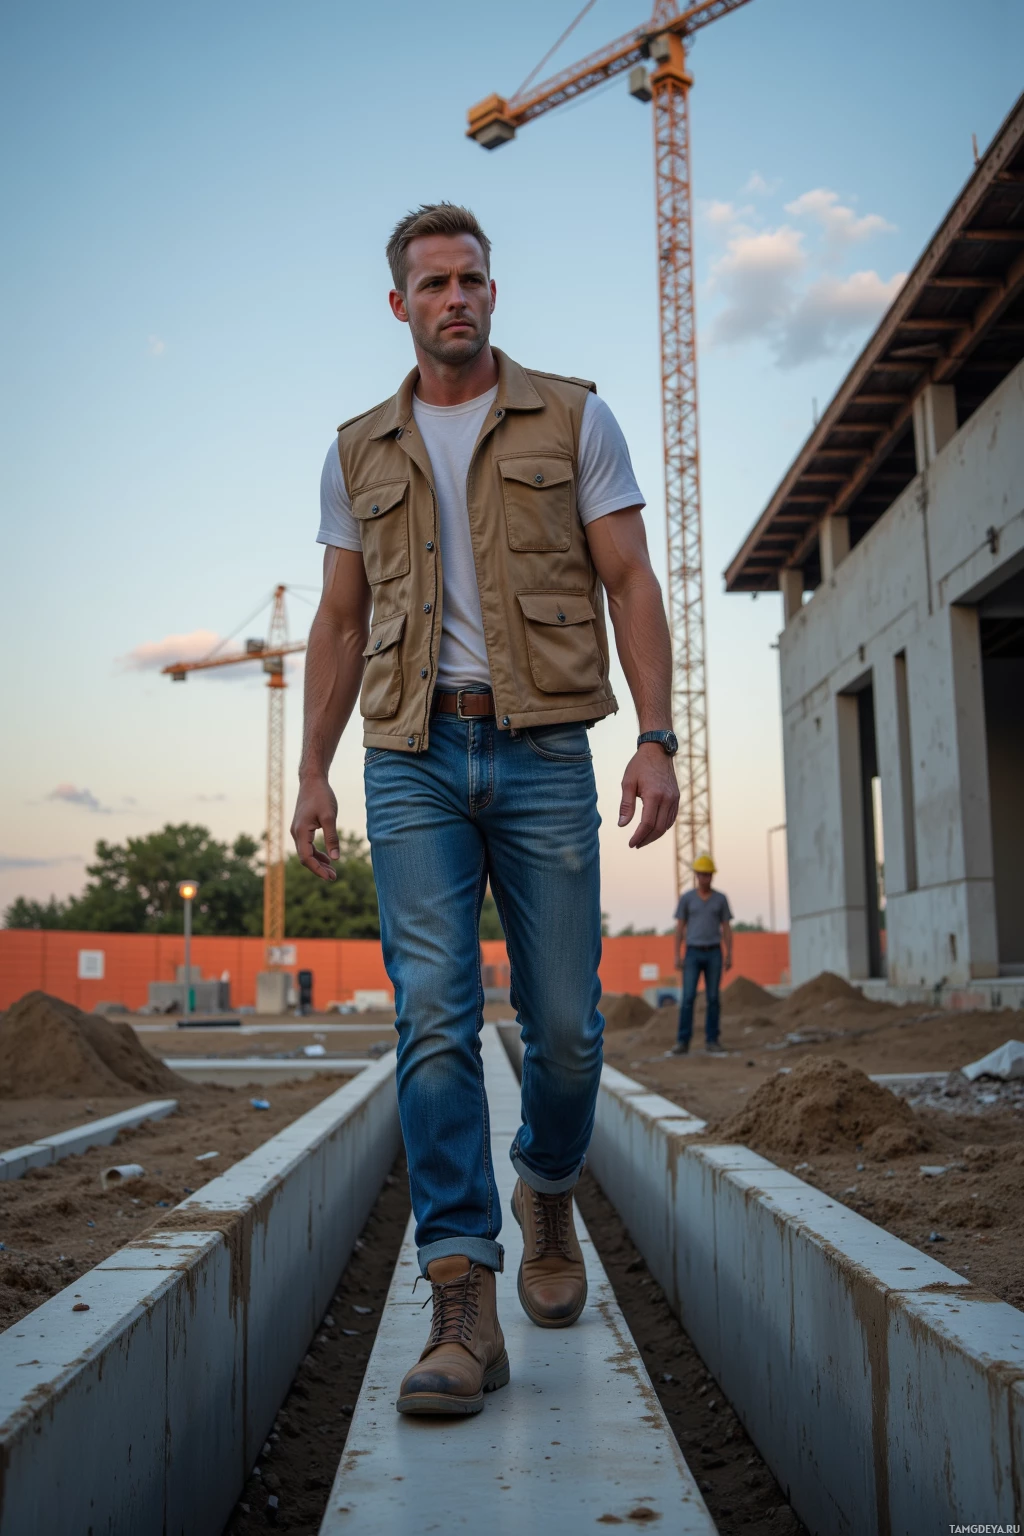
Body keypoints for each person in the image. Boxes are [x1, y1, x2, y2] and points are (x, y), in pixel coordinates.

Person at [290, 202, 681, 1417]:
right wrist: (310, 769)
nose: (454, 297)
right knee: (432, 1020)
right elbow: (342, 620)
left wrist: (659, 740)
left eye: (471, 279)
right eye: (432, 283)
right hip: (408, 755)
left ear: (493, 294)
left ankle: (546, 1182)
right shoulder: (357, 449)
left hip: (543, 751)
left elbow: (628, 578)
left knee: (566, 1026)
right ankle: (462, 1294)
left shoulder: (575, 416)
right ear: (398, 305)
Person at [671, 855, 732, 1055]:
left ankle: (712, 1040)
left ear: (712, 876)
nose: (705, 878)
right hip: (692, 953)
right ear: (696, 875)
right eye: (701, 874)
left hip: (714, 952)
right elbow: (680, 928)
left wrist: (729, 954)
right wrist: (677, 955)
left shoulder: (720, 899)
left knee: (713, 998)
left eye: (708, 875)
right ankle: (683, 1041)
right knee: (688, 997)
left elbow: (726, 928)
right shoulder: (687, 899)